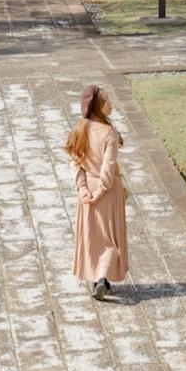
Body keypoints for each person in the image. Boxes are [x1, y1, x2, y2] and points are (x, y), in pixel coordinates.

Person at [66, 84, 129, 299]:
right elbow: (108, 167)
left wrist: (83, 190)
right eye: (106, 101)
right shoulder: (109, 133)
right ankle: (103, 278)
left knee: (92, 236)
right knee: (109, 237)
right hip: (107, 192)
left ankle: (97, 279)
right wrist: (101, 191)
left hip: (88, 192)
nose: (110, 103)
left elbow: (75, 163)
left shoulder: (79, 129)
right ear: (98, 107)